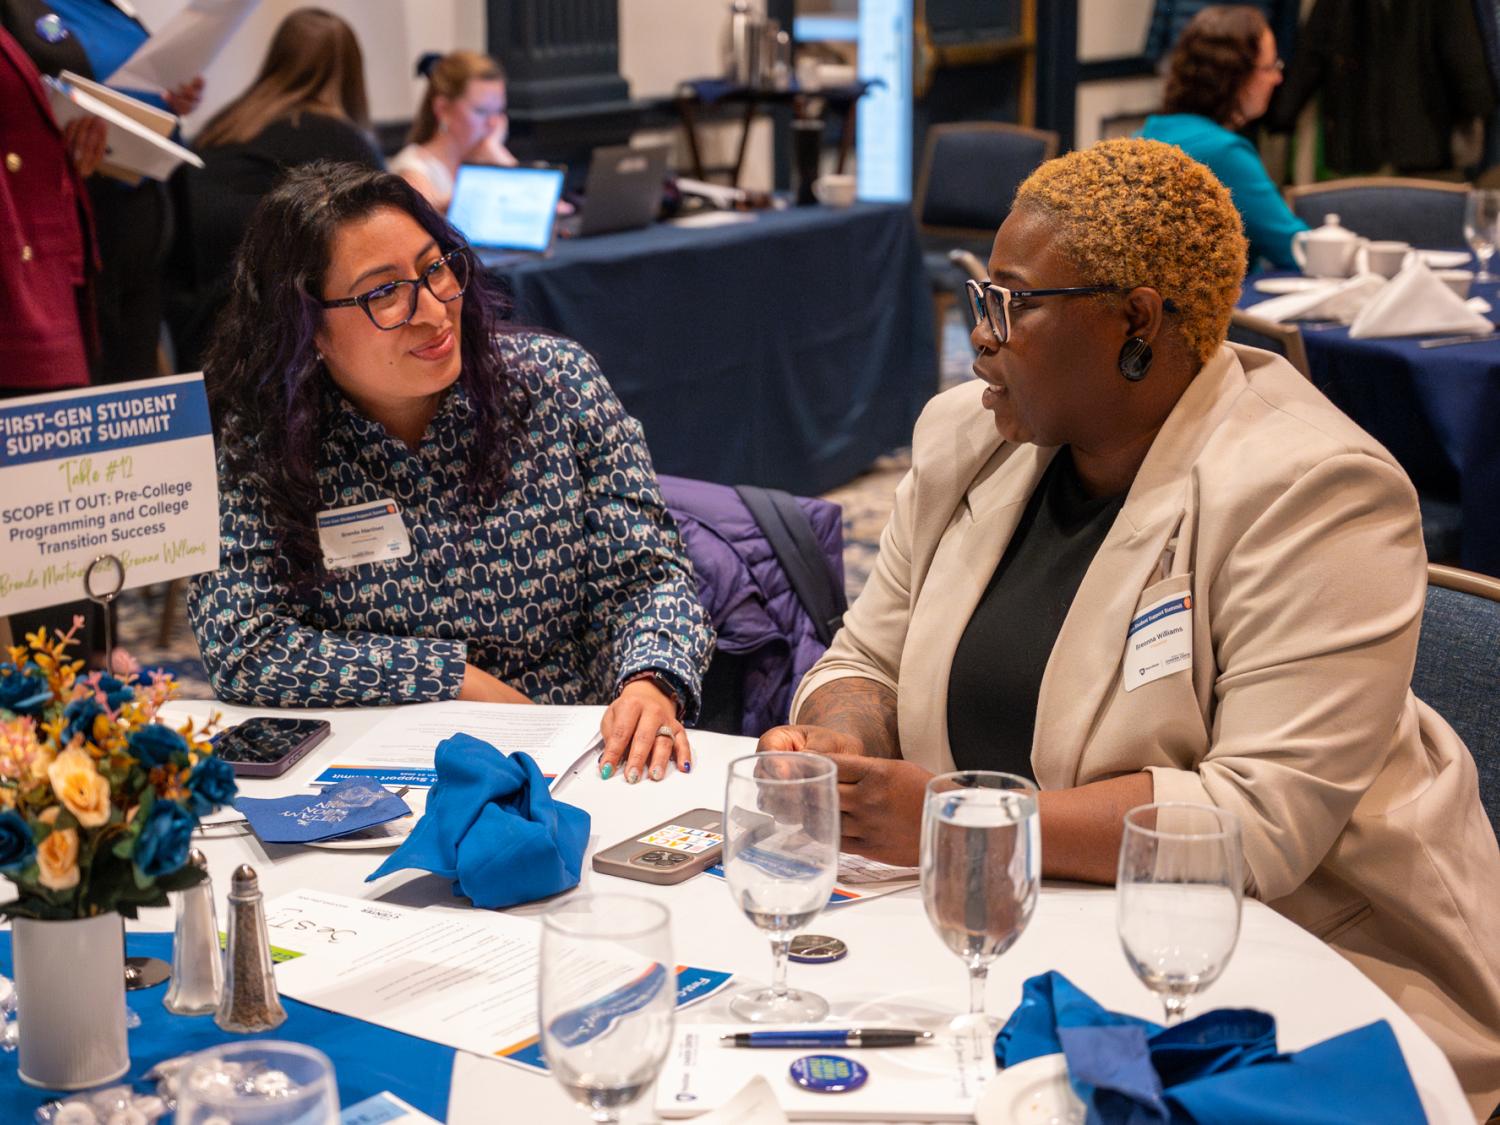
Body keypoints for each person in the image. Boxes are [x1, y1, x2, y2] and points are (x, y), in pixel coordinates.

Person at [760, 138, 1500, 1117]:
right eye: (982, 297)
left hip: (1295, 982)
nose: (980, 338)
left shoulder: (1315, 489)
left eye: (1011, 305)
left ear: (1135, 322)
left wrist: (957, 823)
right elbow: (868, 656)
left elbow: (1257, 822)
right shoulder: (966, 435)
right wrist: (840, 742)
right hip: (1032, 947)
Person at [187, 162, 713, 785]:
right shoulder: (263, 440)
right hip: (375, 772)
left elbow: (647, 580)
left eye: (435, 268)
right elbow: (244, 644)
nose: (434, 311)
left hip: (577, 755)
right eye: (384, 292)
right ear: (307, 325)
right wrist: (451, 678)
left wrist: (650, 681)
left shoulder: (556, 386)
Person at [0, 0, 205, 382]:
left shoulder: (114, 8)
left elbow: (141, 90)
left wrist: (172, 99)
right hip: (70, 241)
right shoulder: (17, 11)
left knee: (137, 404)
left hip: (143, 238)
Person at [167, 7, 381, 371]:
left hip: (186, 300)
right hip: (252, 309)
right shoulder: (338, 138)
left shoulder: (229, 121)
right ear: (350, 72)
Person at [1138, 5, 1306, 269]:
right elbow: (1295, 250)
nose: (1278, 78)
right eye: (1270, 66)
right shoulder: (1224, 153)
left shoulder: (1149, 132)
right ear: (1236, 77)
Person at [390, 50, 515, 213]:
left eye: (498, 111)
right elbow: (433, 221)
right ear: (443, 109)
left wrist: (497, 154)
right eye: (481, 111)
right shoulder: (413, 168)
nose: (493, 123)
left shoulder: (487, 157)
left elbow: (555, 211)